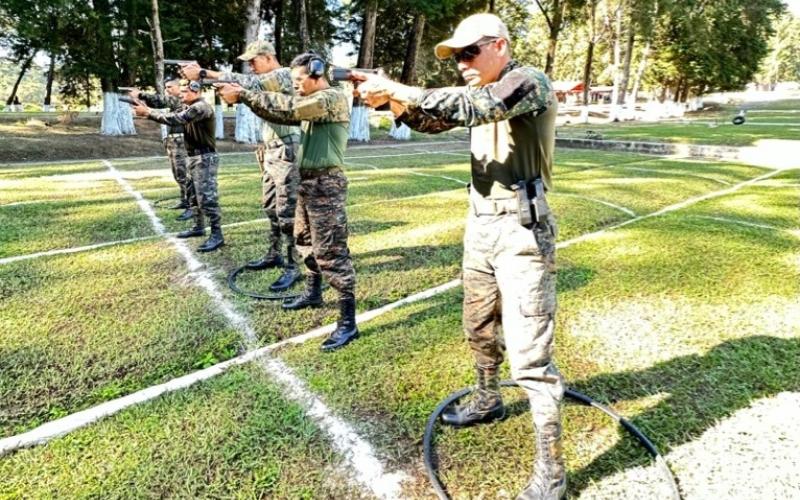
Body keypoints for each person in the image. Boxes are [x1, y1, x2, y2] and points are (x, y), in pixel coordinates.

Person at [355, 13, 565, 499]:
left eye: (470, 52)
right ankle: (487, 398)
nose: (462, 63)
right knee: (478, 324)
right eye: (457, 56)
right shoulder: (480, 92)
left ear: (500, 46)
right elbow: (433, 121)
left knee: (531, 358)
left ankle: (551, 474)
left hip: (521, 231)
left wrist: (398, 87)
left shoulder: (527, 82)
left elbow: (476, 106)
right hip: (481, 225)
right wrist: (393, 104)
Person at [217, 52, 358, 352]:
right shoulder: (312, 100)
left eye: (299, 79)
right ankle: (313, 293)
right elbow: (279, 113)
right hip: (307, 181)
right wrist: (245, 96)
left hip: (326, 185)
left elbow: (289, 109)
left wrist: (243, 95)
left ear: (317, 75)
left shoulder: (331, 98)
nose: (295, 85)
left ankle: (348, 322)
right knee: (304, 240)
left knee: (331, 252)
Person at [180, 42, 301, 291]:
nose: (251, 66)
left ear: (268, 57)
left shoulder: (284, 74)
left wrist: (203, 73)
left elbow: (250, 84)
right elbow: (248, 88)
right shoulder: (267, 81)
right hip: (272, 150)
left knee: (287, 212)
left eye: (254, 61)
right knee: (271, 207)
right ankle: (274, 254)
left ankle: (294, 265)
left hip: (288, 150)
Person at [132, 81, 225, 253]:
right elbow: (169, 112)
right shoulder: (188, 106)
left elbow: (176, 119)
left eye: (185, 91)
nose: (181, 94)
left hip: (204, 158)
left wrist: (148, 113)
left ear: (196, 91)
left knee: (207, 198)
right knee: (193, 194)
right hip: (193, 157)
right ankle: (198, 227)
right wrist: (146, 106)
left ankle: (217, 235)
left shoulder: (200, 107)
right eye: (181, 91)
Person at [129, 79, 193, 221]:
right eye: (166, 87)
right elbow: (157, 106)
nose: (167, 90)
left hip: (181, 142)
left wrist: (141, 94)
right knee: (178, 174)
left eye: (170, 87)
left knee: (185, 175)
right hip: (172, 141)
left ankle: (192, 206)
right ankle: (185, 200)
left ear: (179, 87)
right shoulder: (174, 102)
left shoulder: (181, 99)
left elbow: (159, 101)